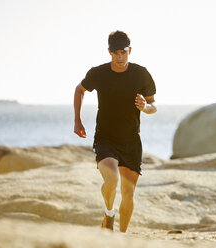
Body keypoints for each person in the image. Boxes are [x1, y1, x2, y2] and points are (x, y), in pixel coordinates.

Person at [73, 30, 157, 232]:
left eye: (124, 52)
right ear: (109, 51)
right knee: (111, 179)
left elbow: (154, 106)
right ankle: (109, 214)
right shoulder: (98, 73)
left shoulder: (141, 74)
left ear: (130, 51)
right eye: (116, 52)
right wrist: (77, 120)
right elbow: (79, 89)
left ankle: (121, 239)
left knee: (128, 194)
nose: (120, 57)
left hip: (131, 141)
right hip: (106, 138)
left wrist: (145, 107)